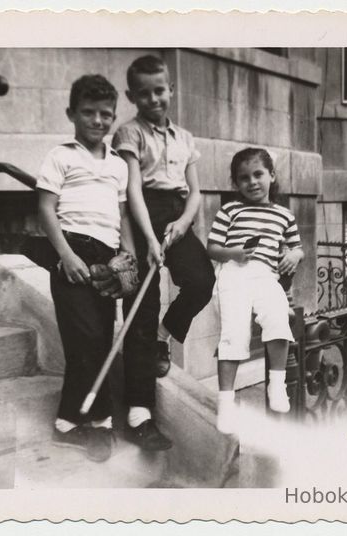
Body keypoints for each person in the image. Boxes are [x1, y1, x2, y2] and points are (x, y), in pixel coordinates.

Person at [112, 55, 215, 449]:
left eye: (161, 90)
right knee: (140, 308)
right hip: (141, 217)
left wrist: (185, 222)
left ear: (172, 89)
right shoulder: (129, 133)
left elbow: (195, 192)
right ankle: (140, 414)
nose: (154, 98)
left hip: (176, 215)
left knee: (202, 281)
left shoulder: (185, 138)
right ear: (132, 96)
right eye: (145, 93)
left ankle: (164, 335)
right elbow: (132, 189)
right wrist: (149, 240)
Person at [36, 74, 135, 462]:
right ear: (72, 114)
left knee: (99, 339)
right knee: (87, 340)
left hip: (107, 258)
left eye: (106, 115)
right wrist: (65, 255)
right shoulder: (61, 155)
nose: (98, 121)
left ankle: (70, 422)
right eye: (89, 113)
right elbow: (45, 209)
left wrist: (128, 255)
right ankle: (97, 423)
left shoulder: (118, 166)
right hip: (73, 252)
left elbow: (123, 215)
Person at [207, 148, 304, 434]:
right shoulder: (230, 210)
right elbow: (211, 248)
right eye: (244, 178)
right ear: (236, 184)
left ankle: (277, 383)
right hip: (234, 272)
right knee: (234, 333)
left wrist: (295, 256)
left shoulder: (284, 215)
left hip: (265, 274)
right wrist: (234, 252)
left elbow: (298, 247)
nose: (252, 182)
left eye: (258, 174)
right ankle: (226, 403)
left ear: (272, 176)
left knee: (277, 317)